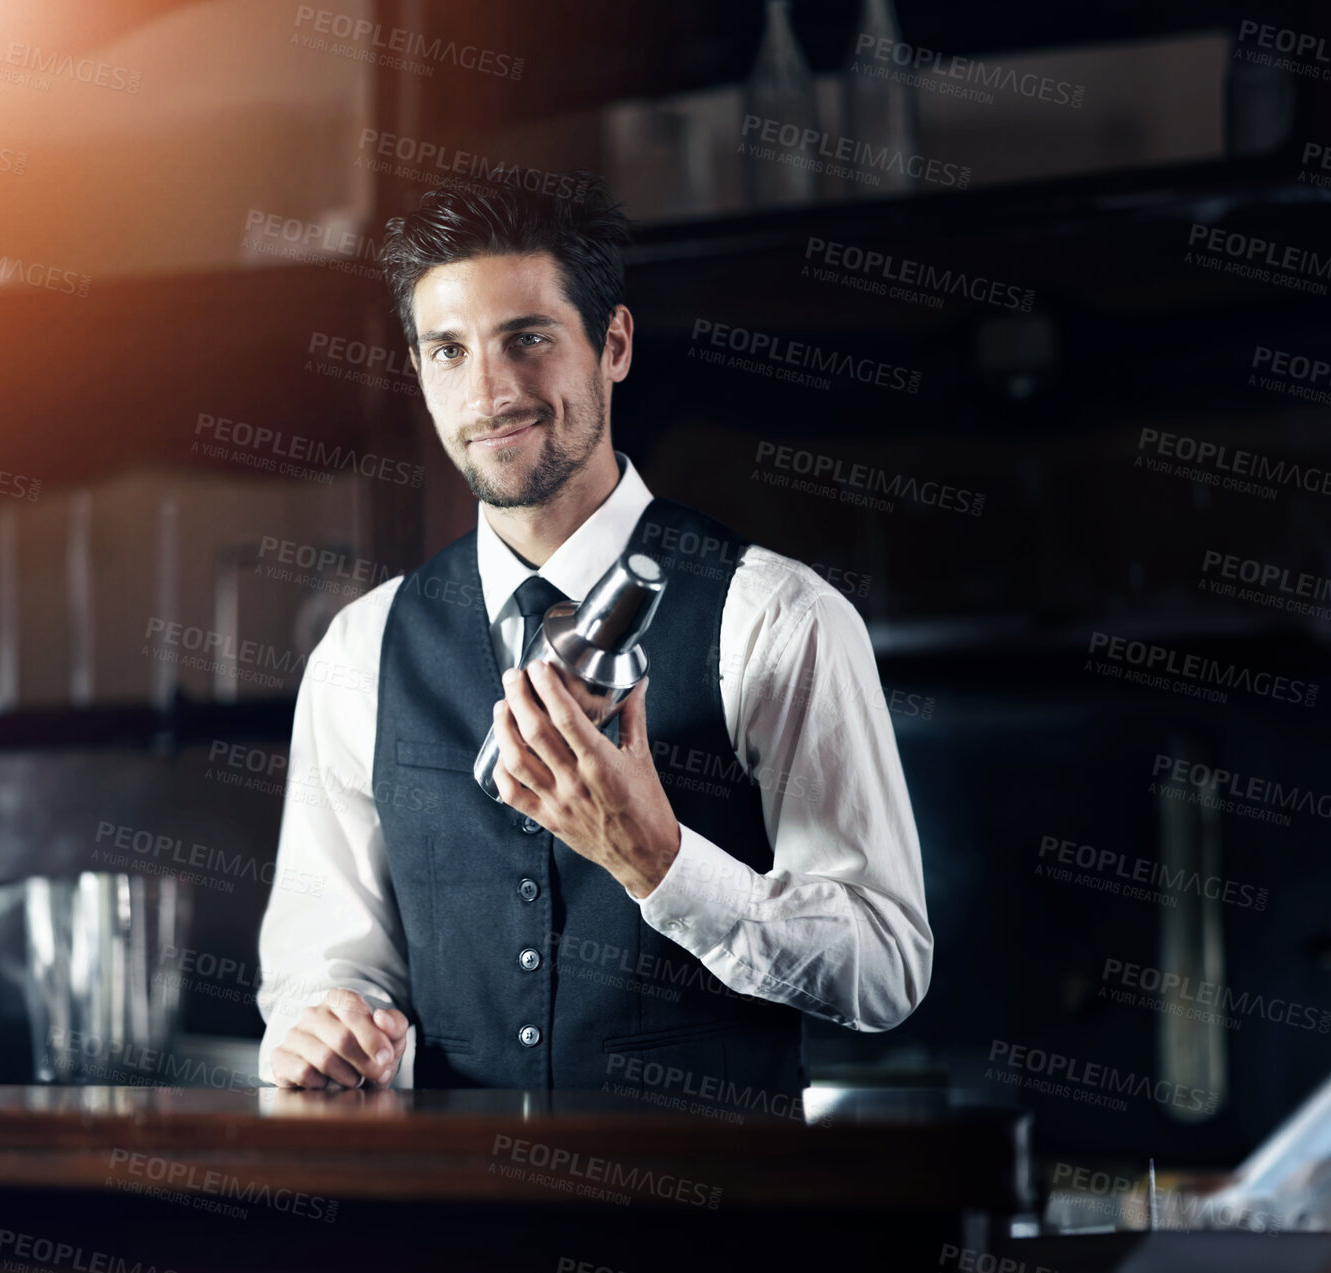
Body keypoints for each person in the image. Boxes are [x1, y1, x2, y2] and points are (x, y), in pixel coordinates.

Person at [256, 171, 932, 1099]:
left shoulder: (775, 617)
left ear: (611, 343)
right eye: (448, 350)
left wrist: (660, 861)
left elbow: (885, 963)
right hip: (455, 1230)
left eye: (525, 339)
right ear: (418, 370)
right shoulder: (357, 653)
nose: (489, 391)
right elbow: (323, 968)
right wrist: (323, 1023)